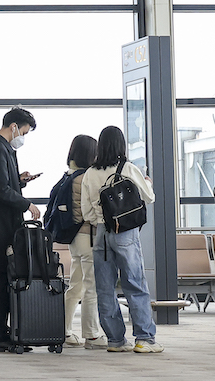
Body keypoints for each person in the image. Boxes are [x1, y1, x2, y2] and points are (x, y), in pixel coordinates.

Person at [80, 125, 162, 354]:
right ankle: (144, 339)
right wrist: (147, 182)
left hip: (100, 236)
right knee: (135, 284)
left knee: (105, 289)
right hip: (124, 233)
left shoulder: (89, 173)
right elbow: (150, 197)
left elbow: (86, 212)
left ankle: (115, 340)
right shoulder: (127, 168)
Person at [0, 107, 42, 354]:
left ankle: (4, 334)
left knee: (3, 281)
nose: (23, 136)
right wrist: (27, 204)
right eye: (24, 131)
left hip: (1, 226)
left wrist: (19, 180)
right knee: (2, 282)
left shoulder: (1, 149)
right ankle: (0, 336)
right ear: (13, 126)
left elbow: (2, 183)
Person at [58, 134, 106, 349]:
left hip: (74, 239)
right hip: (88, 237)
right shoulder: (87, 177)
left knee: (75, 286)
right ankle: (92, 335)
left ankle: (63, 330)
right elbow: (94, 210)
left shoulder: (67, 175)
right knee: (91, 287)